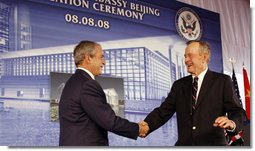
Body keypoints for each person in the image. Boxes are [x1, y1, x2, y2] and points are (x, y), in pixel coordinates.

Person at [139, 40, 244, 146]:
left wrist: (232, 123)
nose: (186, 60)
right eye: (185, 56)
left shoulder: (222, 81)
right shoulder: (179, 85)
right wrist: (146, 126)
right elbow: (163, 112)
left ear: (204, 57)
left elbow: (237, 111)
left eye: (190, 56)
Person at [59, 40, 148, 146]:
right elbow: (110, 121)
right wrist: (138, 129)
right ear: (88, 58)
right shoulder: (88, 84)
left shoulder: (73, 81)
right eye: (101, 57)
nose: (104, 62)